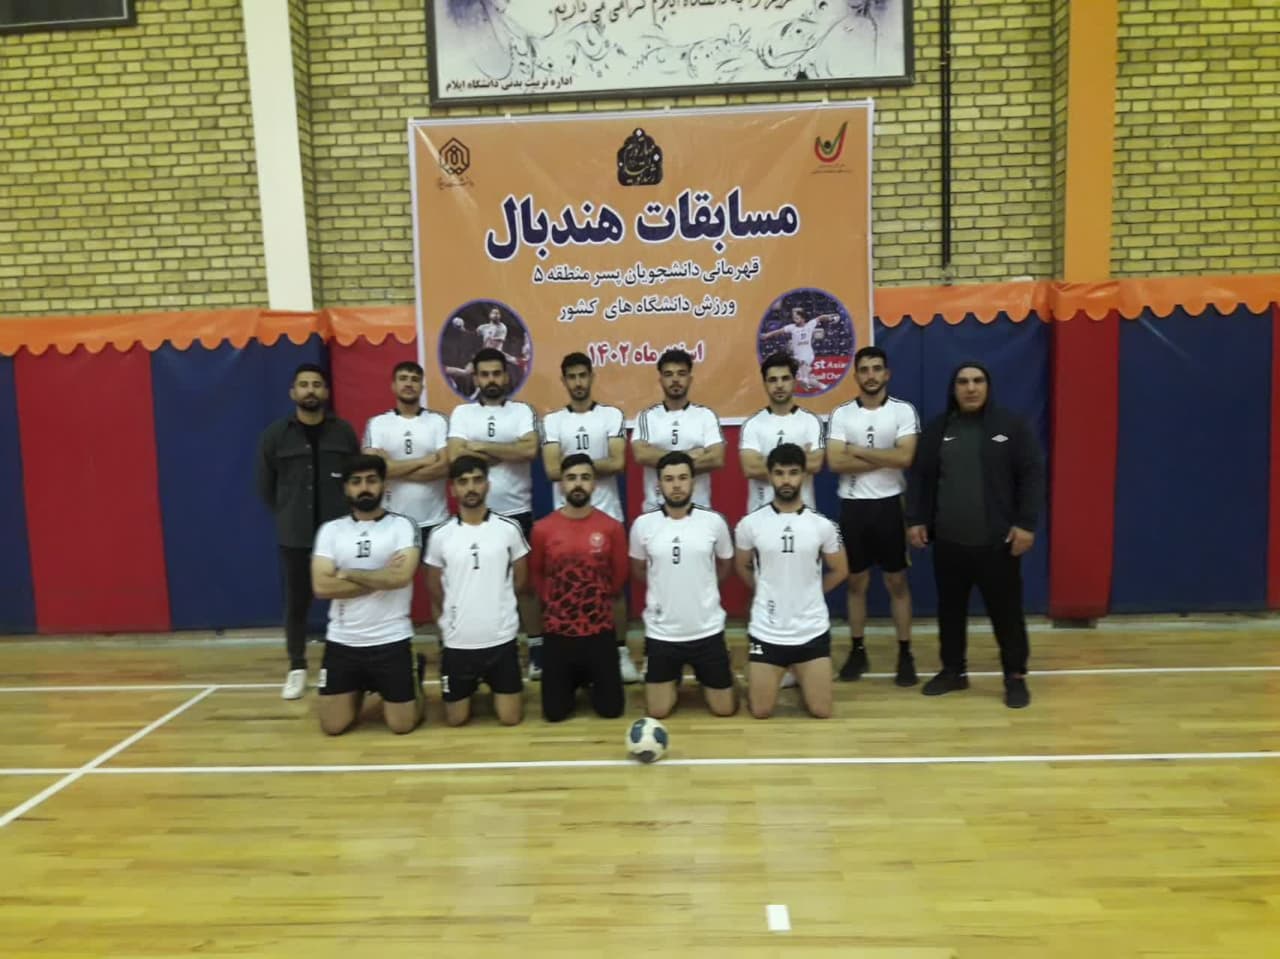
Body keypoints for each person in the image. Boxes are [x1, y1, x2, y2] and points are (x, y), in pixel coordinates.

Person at [906, 361, 1045, 709]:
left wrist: (1026, 524)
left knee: (1007, 614)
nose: (971, 388)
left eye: (978, 381)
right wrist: (916, 520)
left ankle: (1015, 677)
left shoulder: (1010, 427)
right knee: (950, 612)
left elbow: (1032, 476)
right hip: (949, 542)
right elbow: (921, 478)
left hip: (998, 544)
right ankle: (954, 671)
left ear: (988, 386)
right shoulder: (938, 429)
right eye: (963, 382)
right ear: (953, 389)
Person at [255, 363, 360, 700]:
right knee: (296, 603)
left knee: (345, 599)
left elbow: (356, 479)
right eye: (304, 384)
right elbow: (266, 487)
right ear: (293, 392)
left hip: (339, 535)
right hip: (296, 535)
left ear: (326, 392)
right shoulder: (276, 435)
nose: (310, 390)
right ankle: (297, 667)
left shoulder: (343, 432)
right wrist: (289, 513)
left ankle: (345, 663)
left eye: (317, 384)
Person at [542, 352, 640, 683]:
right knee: (566, 586)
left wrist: (575, 468)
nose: (578, 382)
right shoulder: (554, 421)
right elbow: (551, 469)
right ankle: (569, 655)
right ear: (564, 381)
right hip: (565, 518)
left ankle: (621, 652)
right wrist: (592, 466)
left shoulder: (610, 415)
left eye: (583, 375)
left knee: (615, 587)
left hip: (608, 513)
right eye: (572, 377)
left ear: (592, 377)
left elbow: (618, 463)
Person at [446, 348, 544, 679]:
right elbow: (456, 456)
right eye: (484, 374)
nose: (491, 380)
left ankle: (536, 648)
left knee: (524, 585)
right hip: (475, 515)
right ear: (475, 378)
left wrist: (479, 448)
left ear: (506, 376)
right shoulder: (462, 413)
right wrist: (505, 450)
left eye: (496, 373)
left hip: (517, 512)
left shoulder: (522, 411)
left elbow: (529, 449)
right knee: (478, 585)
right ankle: (491, 647)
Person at [826, 346, 921, 687]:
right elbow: (835, 462)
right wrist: (885, 456)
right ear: (856, 375)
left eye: (876, 368)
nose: (871, 375)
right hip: (854, 506)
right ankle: (858, 650)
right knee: (856, 582)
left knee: (897, 582)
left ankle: (905, 653)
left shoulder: (902, 411)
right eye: (864, 369)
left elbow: (906, 458)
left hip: (890, 505)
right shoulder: (841, 414)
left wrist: (857, 450)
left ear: (887, 373)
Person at [309, 455, 425, 735]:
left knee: (402, 726)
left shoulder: (403, 526)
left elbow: (400, 578)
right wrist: (381, 576)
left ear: (384, 485)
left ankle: (414, 678)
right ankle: (359, 686)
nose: (364, 488)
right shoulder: (330, 531)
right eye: (356, 482)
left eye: (372, 480)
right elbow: (321, 587)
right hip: (343, 641)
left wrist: (346, 573)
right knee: (333, 726)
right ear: (346, 488)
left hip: (391, 638)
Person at [734, 444, 847, 719]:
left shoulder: (823, 526)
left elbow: (840, 570)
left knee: (821, 711)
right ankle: (771, 673)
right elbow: (742, 565)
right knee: (761, 711)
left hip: (811, 630)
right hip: (767, 631)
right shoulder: (750, 524)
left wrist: (812, 593)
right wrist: (765, 592)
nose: (786, 480)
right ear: (769, 476)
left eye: (793, 473)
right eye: (779, 473)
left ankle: (800, 674)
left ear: (804, 476)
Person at [628, 451, 737, 719]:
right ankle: (670, 677)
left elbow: (724, 565)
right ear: (659, 485)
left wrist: (702, 585)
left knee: (724, 710)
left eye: (682, 478)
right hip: (663, 633)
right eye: (669, 479)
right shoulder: (643, 525)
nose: (676, 485)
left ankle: (719, 667)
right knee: (658, 711)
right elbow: (639, 570)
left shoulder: (714, 522)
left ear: (693, 482)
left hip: (707, 630)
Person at [424, 456, 529, 726]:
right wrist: (447, 628)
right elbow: (434, 588)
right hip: (459, 644)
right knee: (456, 720)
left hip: (501, 641)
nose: (471, 488)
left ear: (488, 485)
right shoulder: (440, 535)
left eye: (477, 480)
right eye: (463, 482)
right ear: (452, 489)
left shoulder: (509, 529)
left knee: (510, 719)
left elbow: (520, 580)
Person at [529, 454, 628, 722]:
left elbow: (619, 576)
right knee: (555, 714)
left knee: (611, 711)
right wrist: (555, 604)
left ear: (594, 484)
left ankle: (592, 678)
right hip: (558, 634)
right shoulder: (542, 529)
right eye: (571, 478)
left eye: (585, 478)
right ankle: (573, 680)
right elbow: (536, 573)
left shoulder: (611, 528)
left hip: (599, 632)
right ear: (561, 484)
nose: (578, 484)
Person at [361, 361, 449, 616]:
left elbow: (444, 467)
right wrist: (425, 460)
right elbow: (374, 471)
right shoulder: (378, 424)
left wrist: (393, 466)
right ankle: (393, 639)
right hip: (392, 522)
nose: (409, 383)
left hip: (435, 521)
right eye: (403, 378)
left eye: (414, 379)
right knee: (388, 592)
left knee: (439, 591)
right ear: (393, 385)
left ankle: (446, 639)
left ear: (422, 386)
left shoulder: (438, 421)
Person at [631, 348, 724, 512]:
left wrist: (659, 455)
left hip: (699, 508)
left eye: (681, 374)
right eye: (668, 374)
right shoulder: (646, 416)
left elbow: (716, 458)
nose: (675, 379)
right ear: (660, 380)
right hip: (656, 509)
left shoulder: (706, 415)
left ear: (690, 379)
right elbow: (641, 455)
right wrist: (690, 456)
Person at [739, 353, 826, 511]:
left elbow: (815, 464)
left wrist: (764, 460)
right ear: (765, 384)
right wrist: (800, 458)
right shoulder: (752, 424)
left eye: (785, 378)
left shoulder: (811, 421)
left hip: (803, 513)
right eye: (773, 380)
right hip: (761, 513)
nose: (779, 385)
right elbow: (750, 468)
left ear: (794, 381)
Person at [760, 305, 839, 392]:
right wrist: (767, 335)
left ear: (803, 319)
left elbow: (820, 318)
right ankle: (822, 386)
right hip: (797, 356)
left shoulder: (810, 325)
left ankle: (805, 379)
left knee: (802, 365)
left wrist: (830, 317)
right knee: (801, 377)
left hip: (807, 354)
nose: (795, 320)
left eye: (797, 318)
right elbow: (778, 332)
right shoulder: (792, 327)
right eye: (794, 318)